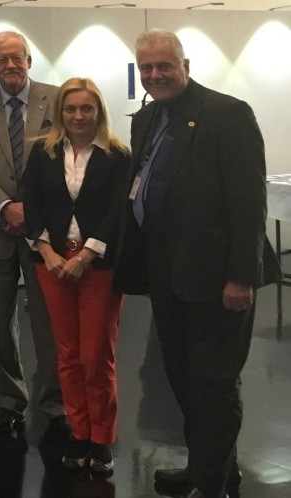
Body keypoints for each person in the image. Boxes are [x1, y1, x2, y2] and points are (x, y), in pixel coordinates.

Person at [113, 29, 280, 498]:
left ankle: (210, 485)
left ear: (185, 65)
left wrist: (241, 276)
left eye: (164, 65)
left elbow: (249, 203)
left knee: (214, 383)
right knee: (183, 377)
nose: (155, 74)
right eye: (146, 68)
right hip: (166, 271)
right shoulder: (146, 118)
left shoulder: (228, 114)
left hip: (218, 277)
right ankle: (212, 467)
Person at [0, 30, 66, 433]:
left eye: (17, 57)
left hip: (47, 233)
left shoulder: (57, 98)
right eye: (1, 60)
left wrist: (31, 212)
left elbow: (69, 158)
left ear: (29, 60)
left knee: (49, 322)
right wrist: (5, 206)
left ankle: (56, 402)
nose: (10, 65)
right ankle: (10, 399)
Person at [22, 77, 129, 478]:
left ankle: (102, 438)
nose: (78, 116)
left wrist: (87, 253)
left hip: (98, 264)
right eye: (70, 109)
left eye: (86, 108)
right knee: (66, 354)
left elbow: (118, 211)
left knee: (96, 355)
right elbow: (31, 202)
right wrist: (46, 252)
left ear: (98, 111)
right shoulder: (43, 152)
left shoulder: (117, 155)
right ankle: (80, 432)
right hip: (51, 262)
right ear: (59, 112)